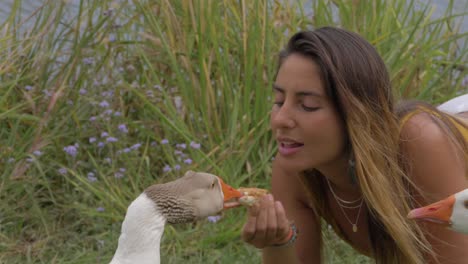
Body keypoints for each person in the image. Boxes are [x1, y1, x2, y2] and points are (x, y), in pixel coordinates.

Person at [241, 26, 468, 264]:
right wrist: (278, 243)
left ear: (357, 115)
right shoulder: (296, 165)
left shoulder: (421, 145)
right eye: (278, 101)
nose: (279, 119)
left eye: (308, 105)